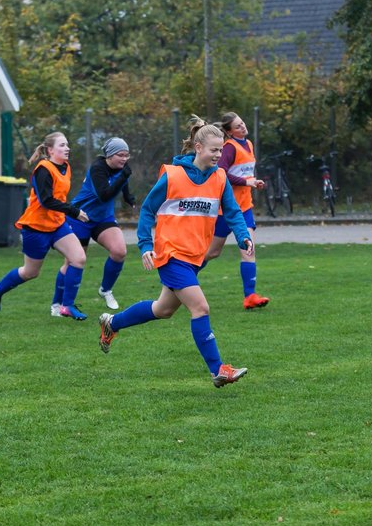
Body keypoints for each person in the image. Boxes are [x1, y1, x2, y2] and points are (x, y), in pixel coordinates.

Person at [98, 118, 253, 387]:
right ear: (198, 147)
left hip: (194, 257)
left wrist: (242, 236)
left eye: (221, 150)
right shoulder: (173, 175)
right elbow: (147, 210)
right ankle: (218, 370)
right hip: (170, 253)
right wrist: (146, 245)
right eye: (214, 150)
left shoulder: (219, 178)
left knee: (163, 309)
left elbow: (232, 211)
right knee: (200, 307)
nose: (218, 155)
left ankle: (112, 323)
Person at [0, 132, 91, 318]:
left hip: (57, 225)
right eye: (62, 145)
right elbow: (46, 201)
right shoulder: (43, 169)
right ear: (50, 150)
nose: (67, 148)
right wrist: (74, 211)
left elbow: (59, 198)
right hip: (36, 228)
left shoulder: (66, 167)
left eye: (67, 144)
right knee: (30, 272)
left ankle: (66, 306)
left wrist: (69, 212)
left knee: (78, 258)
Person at [50, 137, 136, 315]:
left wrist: (128, 198)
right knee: (72, 262)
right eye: (120, 155)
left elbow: (122, 183)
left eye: (127, 155)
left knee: (119, 251)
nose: (124, 159)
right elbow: (104, 195)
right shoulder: (98, 168)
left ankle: (105, 290)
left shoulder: (121, 168)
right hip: (80, 217)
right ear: (110, 155)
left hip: (103, 218)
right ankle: (57, 304)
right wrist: (124, 176)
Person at [201, 111, 270, 310]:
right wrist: (246, 182)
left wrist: (253, 182)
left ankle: (250, 296)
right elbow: (220, 173)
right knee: (212, 252)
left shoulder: (248, 144)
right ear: (229, 131)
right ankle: (183, 278)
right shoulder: (229, 148)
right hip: (226, 209)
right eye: (238, 126)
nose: (243, 127)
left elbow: (244, 172)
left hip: (245, 208)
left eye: (243, 123)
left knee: (249, 249)